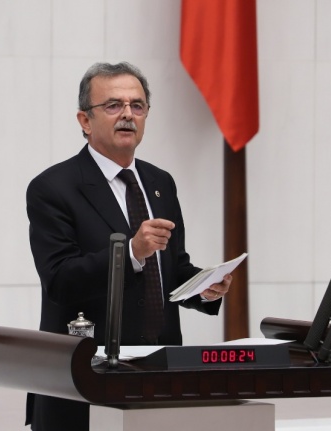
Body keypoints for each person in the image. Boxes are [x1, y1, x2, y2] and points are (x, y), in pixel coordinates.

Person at [24, 61, 232, 431]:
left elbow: (170, 268)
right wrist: (131, 253)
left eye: (137, 106)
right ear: (85, 121)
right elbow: (60, 280)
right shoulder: (53, 188)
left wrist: (203, 286)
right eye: (113, 105)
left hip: (159, 373)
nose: (127, 115)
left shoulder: (160, 183)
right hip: (85, 377)